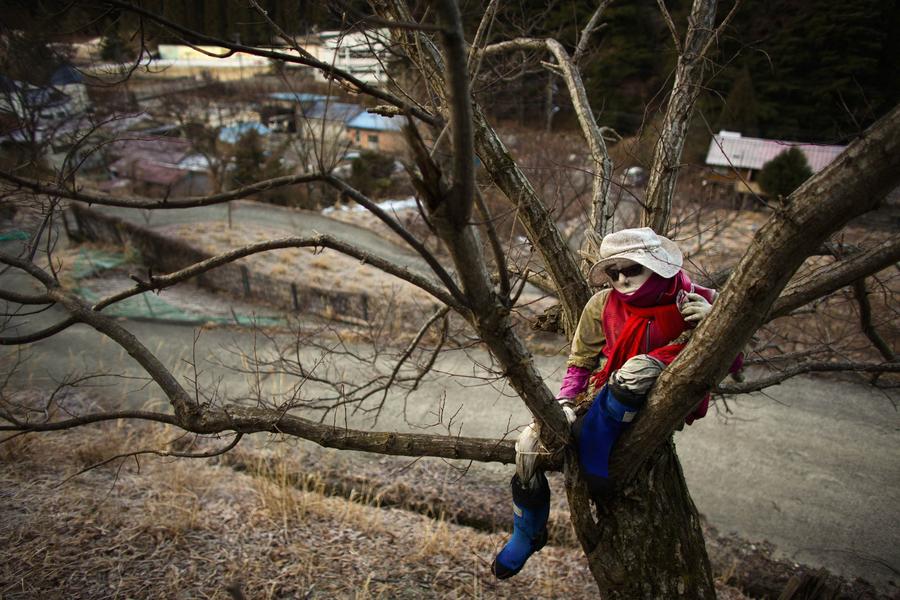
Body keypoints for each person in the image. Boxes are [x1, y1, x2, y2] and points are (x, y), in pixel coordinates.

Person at [492, 227, 727, 580]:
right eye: (613, 272)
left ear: (657, 265)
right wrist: (566, 402)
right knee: (527, 447)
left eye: (631, 269)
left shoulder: (697, 299)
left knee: (636, 370)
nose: (621, 279)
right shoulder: (602, 304)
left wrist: (714, 325)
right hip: (607, 393)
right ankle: (527, 533)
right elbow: (580, 362)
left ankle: (594, 447)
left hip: (654, 395)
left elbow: (733, 361)